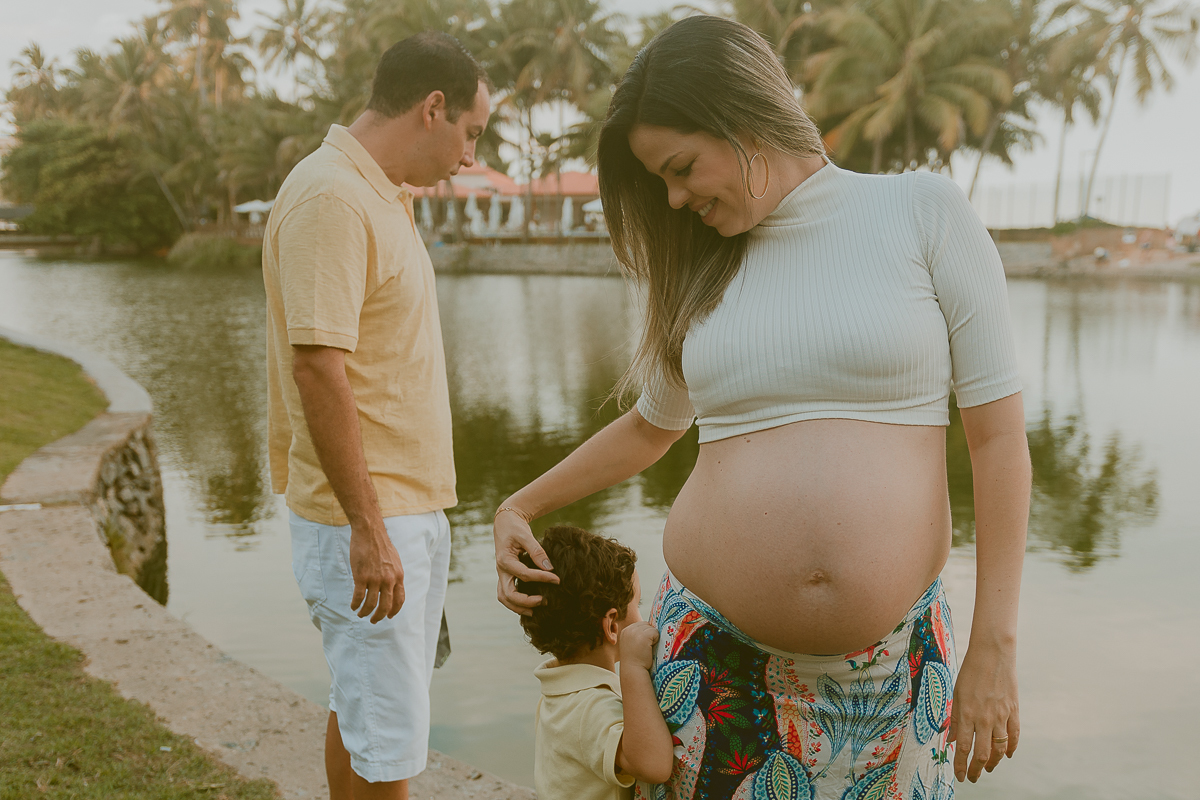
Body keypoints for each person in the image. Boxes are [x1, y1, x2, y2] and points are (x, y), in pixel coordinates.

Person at [493, 15, 1029, 800]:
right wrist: (519, 503)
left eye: (680, 167)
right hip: (711, 666)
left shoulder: (923, 213)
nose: (674, 200)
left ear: (740, 117)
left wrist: (996, 646)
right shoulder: (703, 271)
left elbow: (999, 440)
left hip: (892, 670)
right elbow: (651, 426)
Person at [262, 32, 490, 800]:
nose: (468, 156)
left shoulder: (380, 192)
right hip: (369, 517)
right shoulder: (332, 195)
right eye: (471, 133)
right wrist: (368, 528)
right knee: (391, 745)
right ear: (433, 108)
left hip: (394, 509)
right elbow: (317, 366)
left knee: (363, 709)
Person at [516, 525, 674, 799]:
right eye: (638, 605)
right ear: (612, 625)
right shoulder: (590, 706)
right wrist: (633, 669)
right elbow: (654, 766)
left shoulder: (557, 693)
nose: (643, 618)